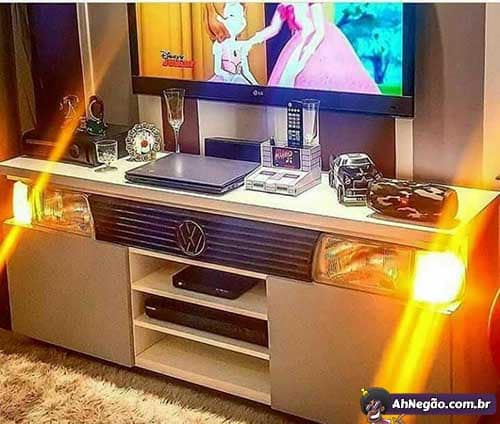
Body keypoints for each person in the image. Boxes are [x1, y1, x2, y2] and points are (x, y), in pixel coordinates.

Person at [244, 2, 380, 93]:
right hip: (299, 42)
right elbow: (273, 29)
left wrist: (306, 54)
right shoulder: (284, 4)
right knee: (288, 81)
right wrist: (250, 41)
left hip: (320, 41)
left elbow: (319, 31)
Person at [205, 2, 258, 85]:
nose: (240, 21)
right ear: (220, 19)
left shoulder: (242, 46)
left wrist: (257, 86)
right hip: (224, 81)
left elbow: (246, 72)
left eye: (241, 16)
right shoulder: (218, 45)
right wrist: (229, 78)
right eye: (232, 16)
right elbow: (217, 70)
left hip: (239, 81)